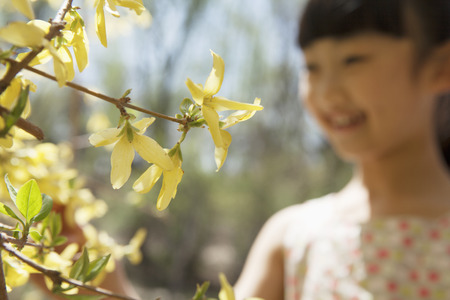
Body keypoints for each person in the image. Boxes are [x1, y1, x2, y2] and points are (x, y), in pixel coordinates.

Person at [233, 0, 450, 299]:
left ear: (440, 68)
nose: (326, 92)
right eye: (311, 67)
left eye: (353, 60)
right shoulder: (291, 237)